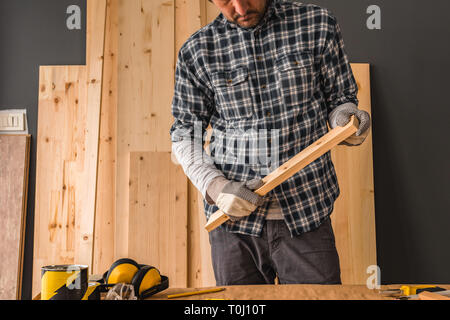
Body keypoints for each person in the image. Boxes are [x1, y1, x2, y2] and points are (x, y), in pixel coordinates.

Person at [170, 0, 371, 285]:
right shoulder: (198, 51)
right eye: (226, 0)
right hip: (235, 227)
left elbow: (340, 99)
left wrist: (346, 120)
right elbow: (184, 135)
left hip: (307, 213)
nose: (240, 8)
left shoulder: (316, 24)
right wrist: (216, 187)